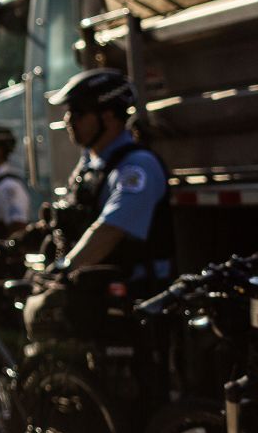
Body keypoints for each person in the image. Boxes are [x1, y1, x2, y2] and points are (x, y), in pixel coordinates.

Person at [24, 68, 172, 342]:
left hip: (133, 295)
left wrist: (64, 269)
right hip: (92, 290)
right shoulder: (91, 164)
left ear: (109, 117)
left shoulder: (137, 167)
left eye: (78, 112)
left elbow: (110, 231)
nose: (68, 120)